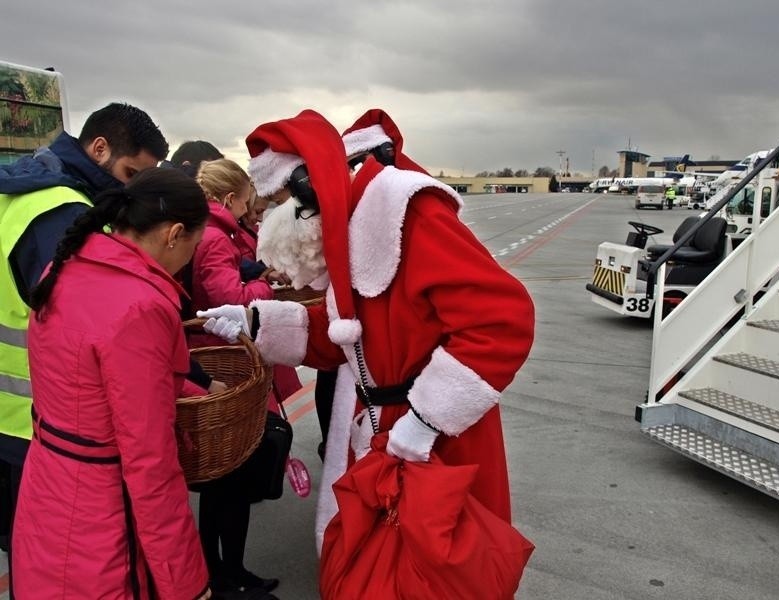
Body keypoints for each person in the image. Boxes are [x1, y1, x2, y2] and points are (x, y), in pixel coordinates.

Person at [201, 109, 535, 564]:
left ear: (306, 187)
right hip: (380, 425)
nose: (265, 221)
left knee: (430, 571)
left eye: (273, 203)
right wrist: (254, 322)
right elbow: (348, 336)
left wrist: (426, 421)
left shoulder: (404, 211)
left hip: (432, 435)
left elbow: (501, 319)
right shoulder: (344, 224)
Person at [12, 168, 211, 599]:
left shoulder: (66, 266)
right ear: (175, 234)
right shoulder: (140, 305)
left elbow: (96, 381)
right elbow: (151, 464)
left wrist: (195, 391)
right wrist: (188, 585)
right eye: (194, 245)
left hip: (48, 483)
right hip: (101, 514)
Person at [0, 102, 169, 593]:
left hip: (18, 416)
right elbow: (84, 330)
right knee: (55, 567)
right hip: (34, 424)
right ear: (98, 148)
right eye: (128, 173)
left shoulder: (21, 188)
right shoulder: (63, 214)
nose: (129, 189)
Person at [192, 158, 295, 598]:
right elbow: (229, 299)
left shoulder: (214, 232)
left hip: (219, 360)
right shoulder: (216, 237)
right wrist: (267, 289)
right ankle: (226, 574)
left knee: (223, 483)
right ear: (231, 198)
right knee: (231, 479)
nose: (251, 211)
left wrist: (254, 272)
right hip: (228, 364)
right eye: (248, 202)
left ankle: (222, 571)